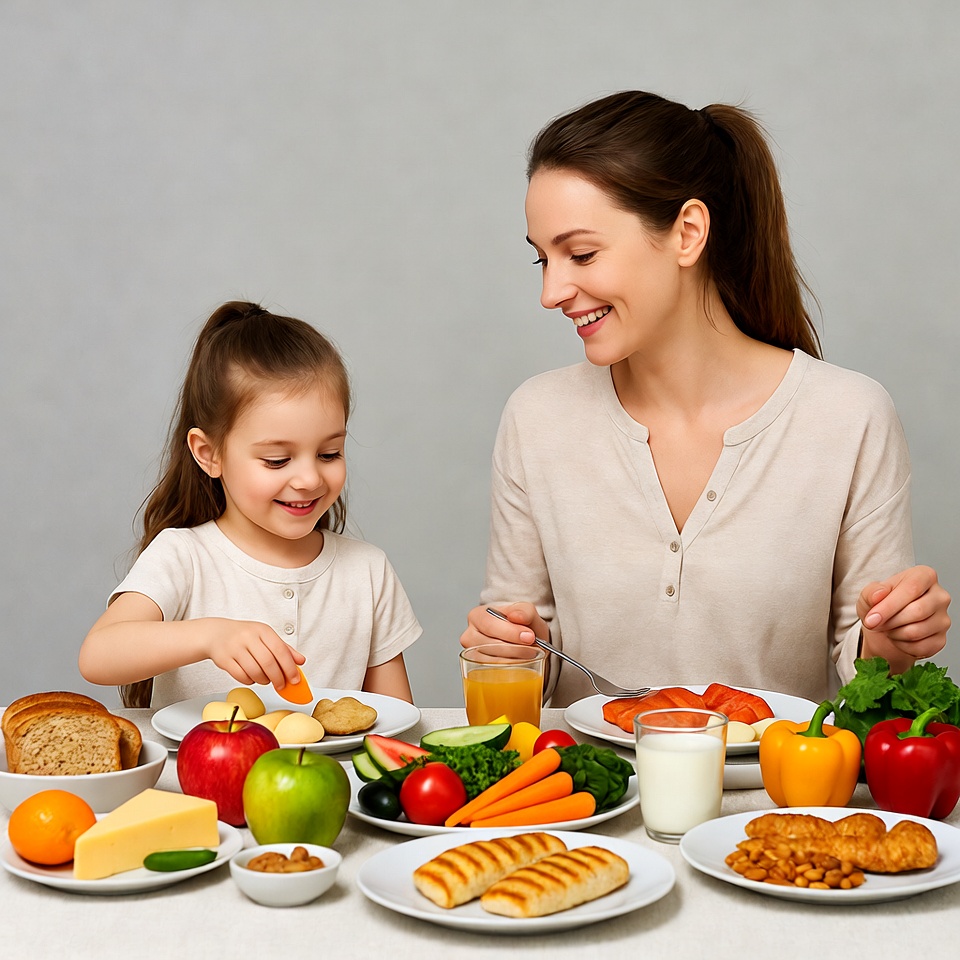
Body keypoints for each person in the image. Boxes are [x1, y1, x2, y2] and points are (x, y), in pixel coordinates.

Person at [461, 91, 951, 708]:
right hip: (591, 797)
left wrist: (891, 644)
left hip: (772, 801)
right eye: (543, 259)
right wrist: (509, 651)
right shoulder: (537, 419)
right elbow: (528, 664)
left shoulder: (849, 418)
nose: (552, 290)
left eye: (581, 253)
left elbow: (874, 690)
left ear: (688, 232)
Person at [80, 301, 420, 707]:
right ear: (209, 454)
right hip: (193, 773)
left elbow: (399, 725)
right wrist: (211, 636)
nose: (310, 479)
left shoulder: (367, 572)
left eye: (330, 453)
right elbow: (98, 655)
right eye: (277, 460)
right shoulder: (184, 557)